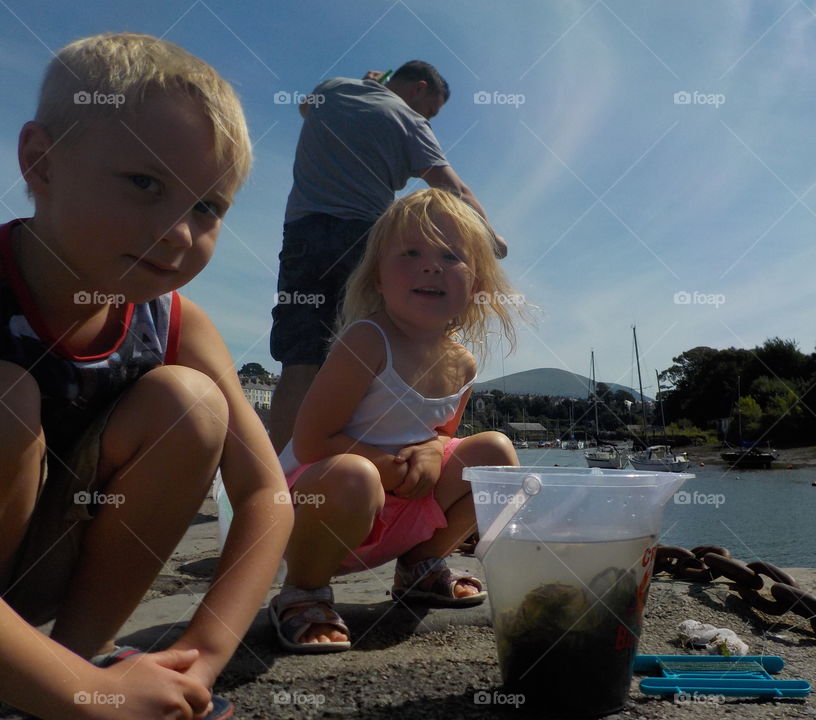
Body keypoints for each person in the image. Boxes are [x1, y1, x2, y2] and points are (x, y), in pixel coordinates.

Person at [0, 33, 293, 719]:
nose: (177, 234)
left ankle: (62, 671)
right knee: (8, 400)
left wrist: (202, 656)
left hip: (42, 582)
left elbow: (266, 497)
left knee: (191, 404)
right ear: (40, 162)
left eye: (207, 208)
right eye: (144, 184)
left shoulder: (172, 323)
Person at [269, 188, 523, 652]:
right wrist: (384, 465)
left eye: (451, 255)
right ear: (378, 279)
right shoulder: (367, 340)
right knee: (354, 476)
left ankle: (421, 567)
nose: (431, 266)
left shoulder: (462, 363)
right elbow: (311, 440)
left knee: (495, 452)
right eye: (411, 252)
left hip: (402, 501)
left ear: (477, 285)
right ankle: (303, 590)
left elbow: (442, 436)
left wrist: (430, 451)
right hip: (324, 505)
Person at [268, 60, 508, 454]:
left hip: (304, 235)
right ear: (419, 89)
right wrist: (490, 238)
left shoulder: (331, 88)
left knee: (300, 359)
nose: (428, 116)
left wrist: (365, 86)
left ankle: (284, 483)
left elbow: (305, 109)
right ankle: (383, 464)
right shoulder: (409, 121)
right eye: (431, 108)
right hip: (367, 241)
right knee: (380, 355)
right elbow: (454, 190)